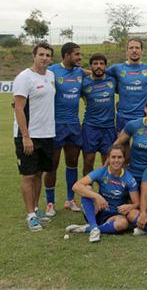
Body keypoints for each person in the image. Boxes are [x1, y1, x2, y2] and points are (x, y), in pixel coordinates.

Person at [13, 42, 56, 231]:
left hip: (47, 134)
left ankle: (36, 209)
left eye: (48, 55)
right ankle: (30, 215)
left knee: (39, 173)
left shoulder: (51, 75)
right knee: (28, 175)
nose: (45, 58)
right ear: (34, 56)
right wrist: (25, 136)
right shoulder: (24, 77)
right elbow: (19, 108)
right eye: (41, 54)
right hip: (29, 135)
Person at [66, 145, 139, 242]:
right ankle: (93, 225)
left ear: (124, 159)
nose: (116, 160)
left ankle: (90, 228)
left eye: (119, 157)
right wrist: (97, 196)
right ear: (108, 158)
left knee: (123, 224)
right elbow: (76, 186)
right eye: (113, 157)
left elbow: (136, 203)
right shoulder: (102, 171)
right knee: (86, 188)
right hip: (98, 210)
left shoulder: (129, 178)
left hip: (114, 215)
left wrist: (130, 207)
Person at [44, 42, 85, 216]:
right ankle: (50, 203)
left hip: (74, 125)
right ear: (67, 55)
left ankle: (70, 199)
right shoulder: (52, 71)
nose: (80, 58)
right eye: (77, 54)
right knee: (52, 164)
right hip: (55, 125)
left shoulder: (80, 72)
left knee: (72, 163)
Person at [106, 38, 147, 132]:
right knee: (122, 145)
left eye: (137, 48)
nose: (134, 50)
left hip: (144, 116)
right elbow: (98, 74)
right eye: (131, 48)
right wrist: (81, 72)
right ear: (127, 51)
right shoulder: (117, 68)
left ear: (142, 51)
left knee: (144, 145)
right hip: (123, 116)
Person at [113, 98, 147, 185]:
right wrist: (106, 168)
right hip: (133, 173)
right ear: (145, 109)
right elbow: (116, 145)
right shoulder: (133, 125)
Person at [81, 53, 117, 175]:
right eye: (95, 64)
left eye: (101, 64)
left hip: (109, 127)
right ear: (90, 66)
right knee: (88, 161)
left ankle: (107, 191)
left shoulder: (112, 80)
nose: (98, 66)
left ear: (106, 66)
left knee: (108, 161)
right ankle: (86, 191)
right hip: (90, 126)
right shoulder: (84, 82)